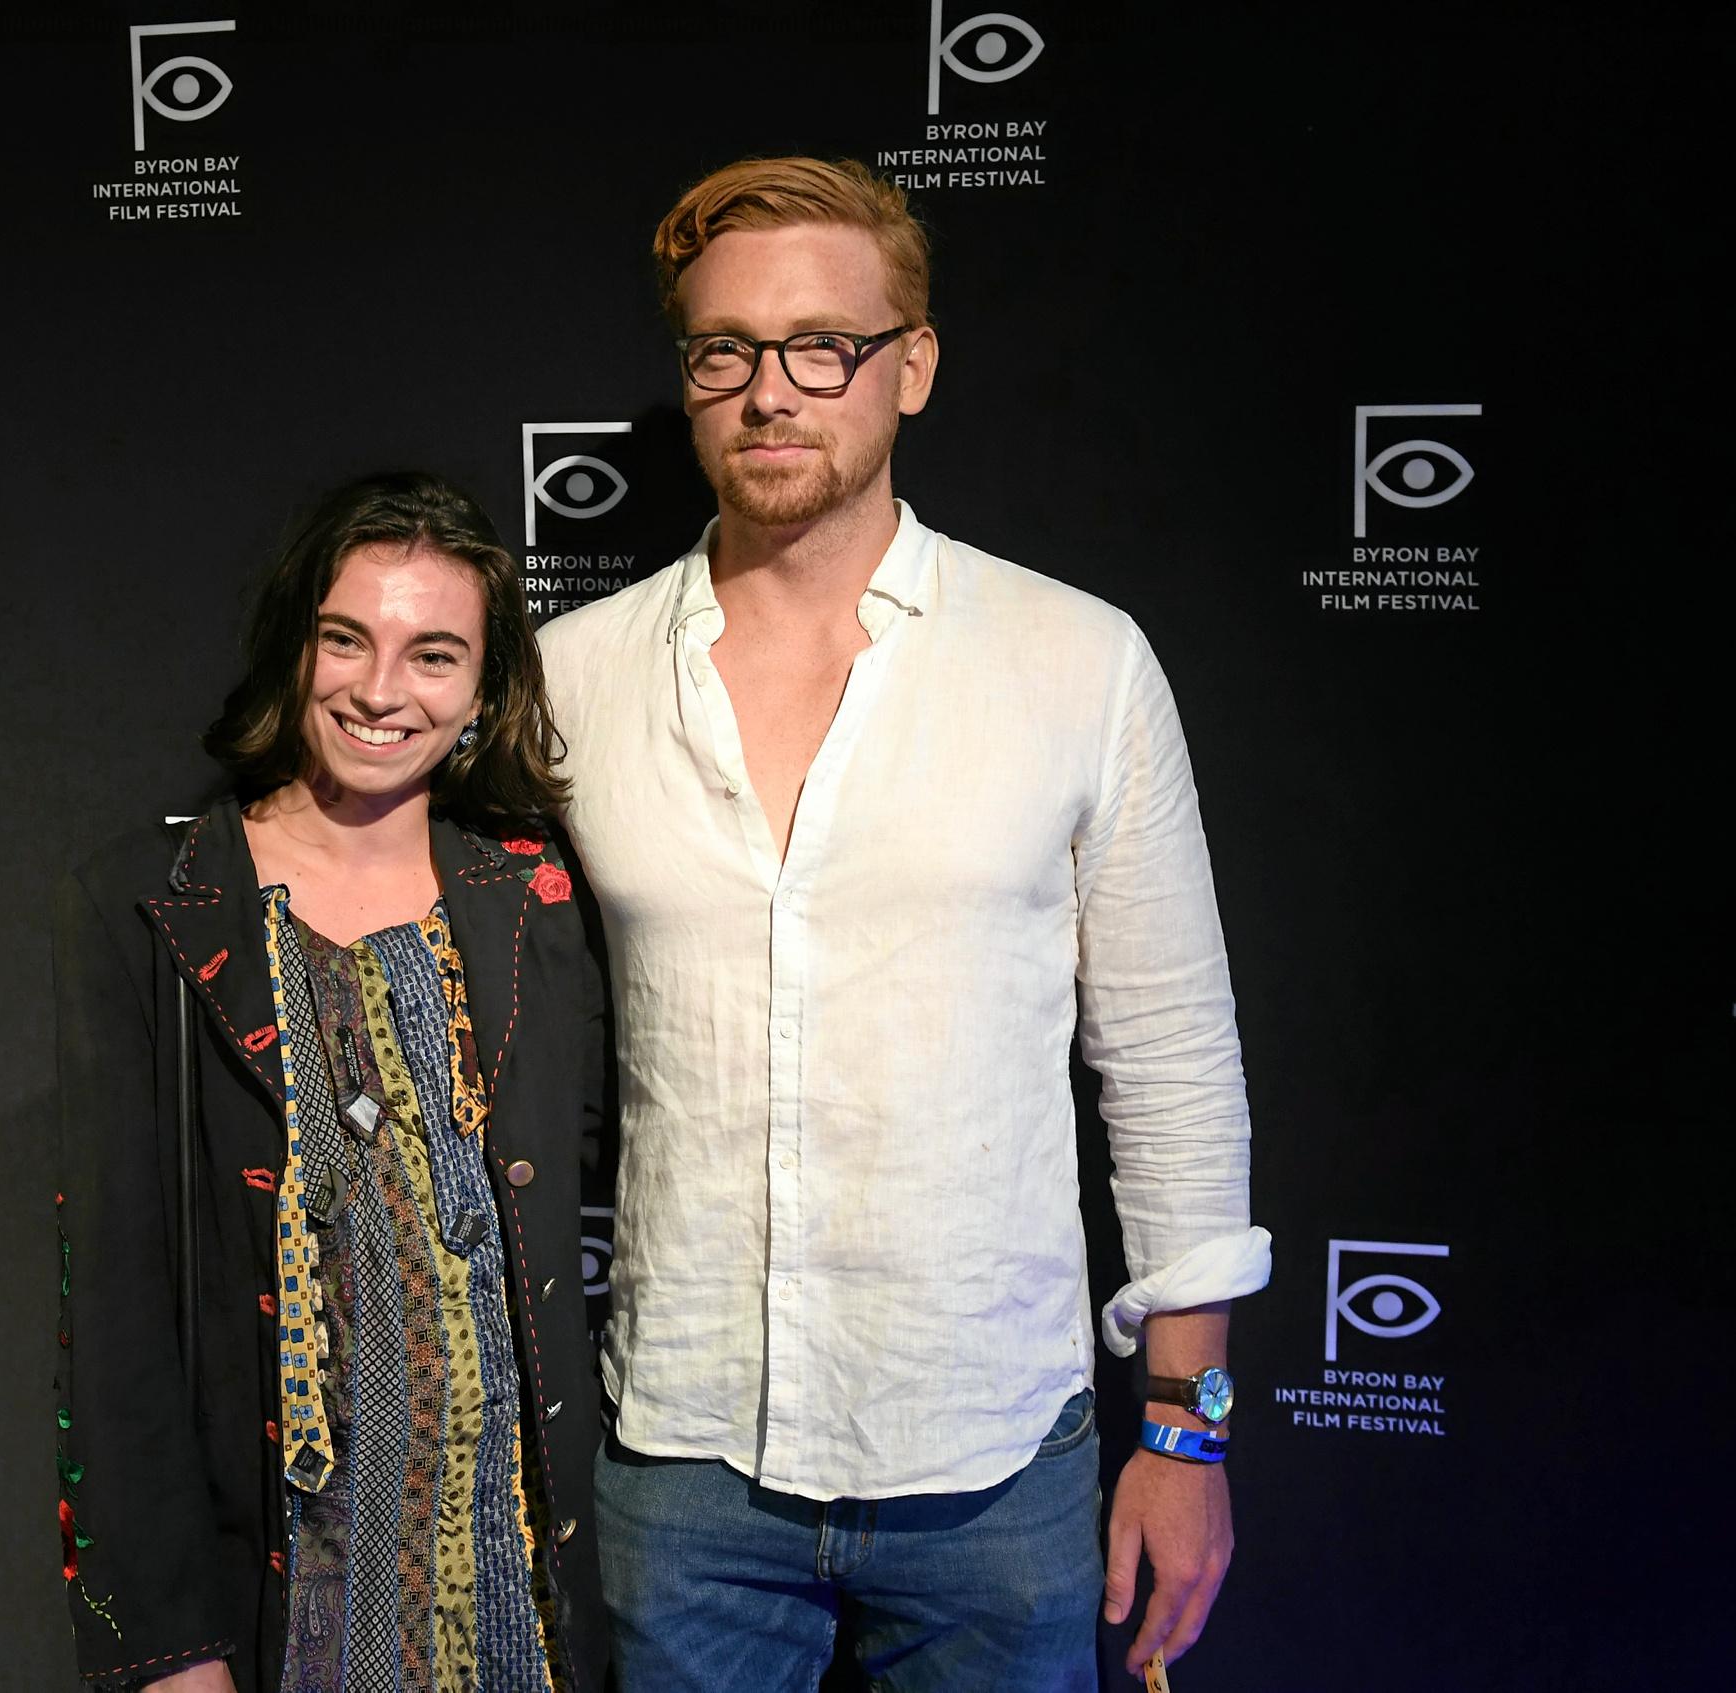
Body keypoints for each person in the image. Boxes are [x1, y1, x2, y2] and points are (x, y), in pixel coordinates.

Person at [536, 157, 1273, 1691]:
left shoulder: (1075, 661)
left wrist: (1184, 1434)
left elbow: (1171, 1062)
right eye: (723, 351)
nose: (768, 392)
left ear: (911, 366)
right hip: (684, 1463)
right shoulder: (569, 683)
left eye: (822, 345)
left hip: (991, 1464)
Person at [52, 471, 610, 1692]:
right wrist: (168, 1647)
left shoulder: (539, 902)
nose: (377, 690)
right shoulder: (153, 907)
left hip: (519, 1596)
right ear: (292, 644)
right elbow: (117, 1310)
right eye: (344, 638)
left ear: (481, 690)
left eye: (432, 654)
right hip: (283, 1584)